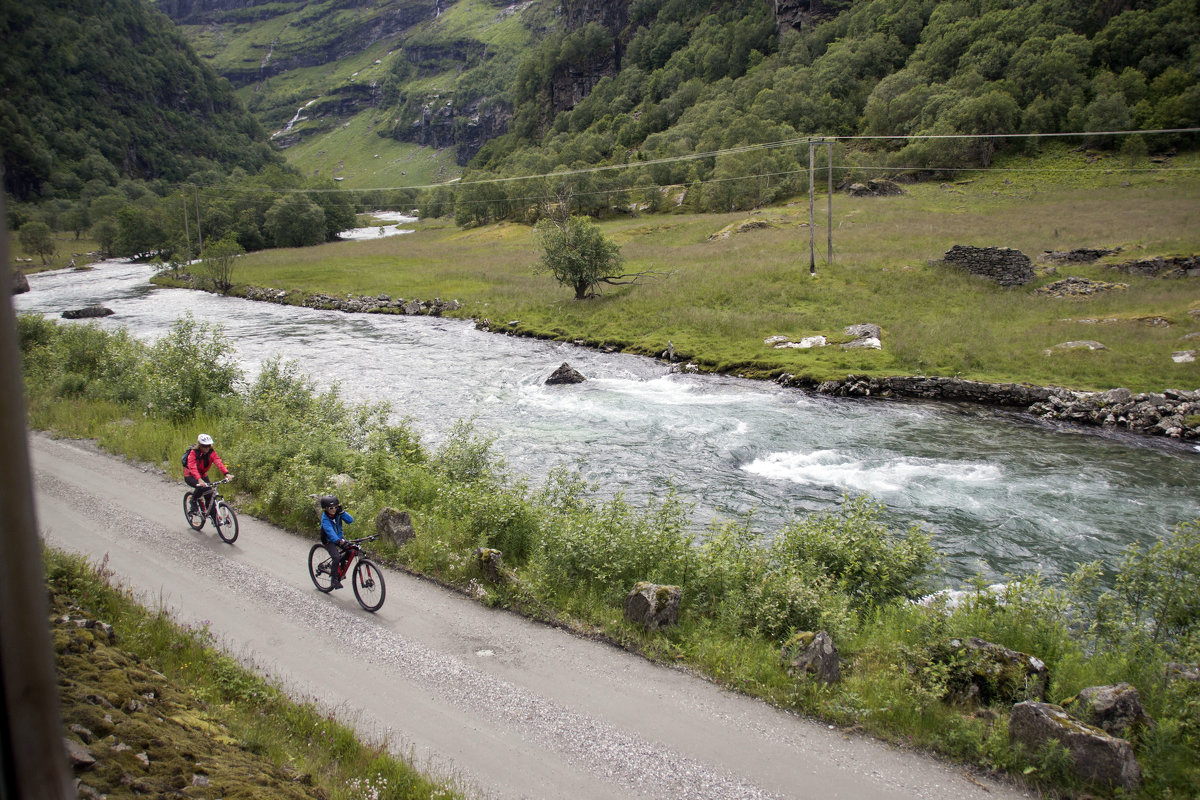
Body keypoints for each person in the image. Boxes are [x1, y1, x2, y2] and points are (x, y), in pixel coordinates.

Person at [184, 433, 231, 520]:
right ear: (200, 445)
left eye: (208, 446)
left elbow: (218, 462)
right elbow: (192, 467)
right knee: (202, 487)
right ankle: (193, 500)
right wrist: (199, 479)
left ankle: (213, 517)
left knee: (209, 493)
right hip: (190, 475)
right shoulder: (193, 453)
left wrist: (226, 473)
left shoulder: (211, 452)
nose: (207, 448)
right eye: (204, 446)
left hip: (202, 474)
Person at [319, 495, 354, 589]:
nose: (334, 509)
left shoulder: (338, 514)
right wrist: (338, 541)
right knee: (336, 557)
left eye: (336, 507)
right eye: (331, 508)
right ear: (326, 509)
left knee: (351, 551)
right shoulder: (325, 519)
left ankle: (340, 567)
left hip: (339, 538)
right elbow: (329, 531)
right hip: (329, 540)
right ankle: (334, 580)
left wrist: (342, 512)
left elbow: (350, 520)